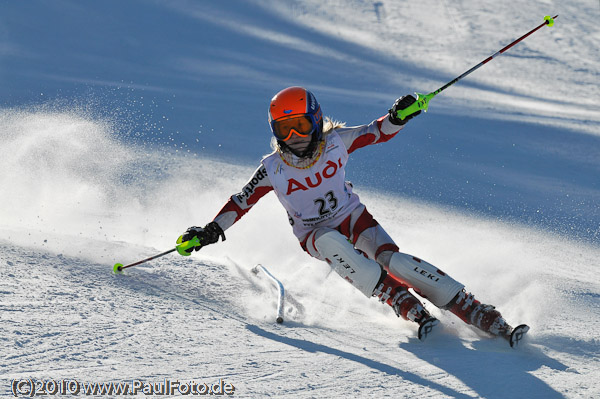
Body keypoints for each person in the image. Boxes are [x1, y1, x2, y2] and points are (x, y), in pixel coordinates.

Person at [178, 86, 527, 344]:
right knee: (332, 242)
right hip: (313, 233)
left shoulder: (336, 141)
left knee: (395, 261)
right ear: (275, 133)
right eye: (286, 130)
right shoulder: (272, 168)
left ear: (315, 120)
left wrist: (398, 117)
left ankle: (471, 307)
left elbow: (376, 132)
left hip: (352, 216)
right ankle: (396, 297)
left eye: (300, 125)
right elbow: (242, 201)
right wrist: (210, 231)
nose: (296, 137)